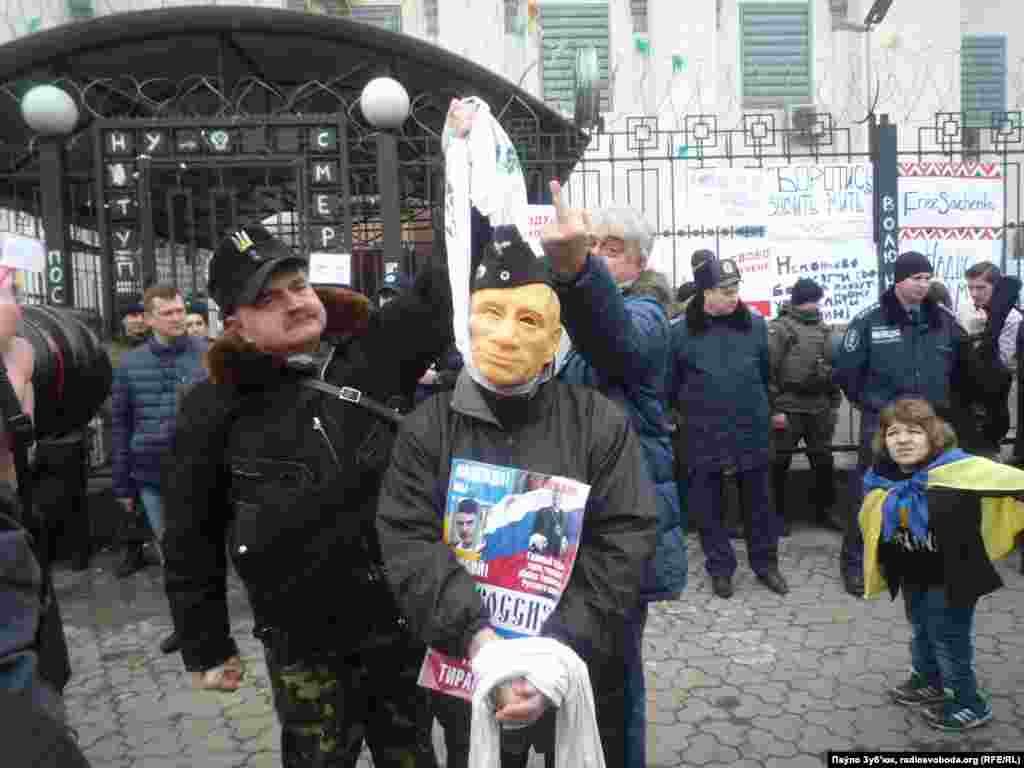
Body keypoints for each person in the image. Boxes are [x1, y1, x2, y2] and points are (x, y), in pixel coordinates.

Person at [163, 224, 451, 767]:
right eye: (267, 299)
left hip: (396, 624)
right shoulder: (211, 406)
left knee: (411, 753)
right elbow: (189, 534)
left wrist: (476, 190)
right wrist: (206, 644)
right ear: (236, 325)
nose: (294, 302)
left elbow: (446, 286)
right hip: (302, 641)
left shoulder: (374, 348)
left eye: (298, 285)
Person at [376, 224, 658, 768]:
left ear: (555, 340)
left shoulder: (597, 423)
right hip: (469, 675)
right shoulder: (426, 429)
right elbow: (408, 541)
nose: (506, 337)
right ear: (466, 326)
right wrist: (478, 640)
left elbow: (625, 536)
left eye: (528, 320)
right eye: (491, 314)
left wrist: (555, 649)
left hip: (573, 668)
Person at [547, 198, 685, 768]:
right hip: (568, 517)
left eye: (611, 248)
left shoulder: (647, 312)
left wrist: (579, 270)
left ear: (640, 261)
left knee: (614, 679)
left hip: (617, 529)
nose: (599, 256)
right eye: (592, 246)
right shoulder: (571, 310)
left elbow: (616, 341)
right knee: (568, 664)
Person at [859, 398, 1024, 732]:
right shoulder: (883, 475)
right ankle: (928, 681)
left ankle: (968, 703)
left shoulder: (960, 470)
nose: (902, 440)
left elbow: (1014, 482)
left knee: (948, 638)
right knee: (921, 628)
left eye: (913, 431)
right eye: (893, 433)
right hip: (912, 571)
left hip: (954, 577)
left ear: (933, 435)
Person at [833, 251, 971, 598]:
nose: (923, 285)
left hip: (929, 424)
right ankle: (855, 565)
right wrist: (872, 405)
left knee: (929, 492)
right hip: (884, 423)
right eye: (916, 278)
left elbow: (962, 368)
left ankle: (916, 561)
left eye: (927, 278)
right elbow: (847, 371)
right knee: (870, 492)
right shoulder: (870, 320)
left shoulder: (943, 319)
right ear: (898, 280)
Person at [672, 256, 787, 599]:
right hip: (703, 430)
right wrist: (679, 416)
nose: (733, 295)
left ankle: (766, 564)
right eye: (725, 290)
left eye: (735, 288)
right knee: (708, 505)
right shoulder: (679, 332)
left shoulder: (755, 325)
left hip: (750, 427)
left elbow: (767, 374)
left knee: (760, 503)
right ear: (705, 292)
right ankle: (720, 568)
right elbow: (669, 382)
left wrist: (771, 409)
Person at [110, 284, 208, 654]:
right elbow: (120, 426)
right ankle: (185, 625)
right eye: (167, 313)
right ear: (149, 319)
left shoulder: (207, 354)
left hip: (199, 472)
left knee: (202, 550)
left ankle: (209, 624)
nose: (177, 318)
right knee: (171, 553)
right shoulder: (130, 365)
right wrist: (122, 485)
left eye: (180, 310)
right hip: (151, 474)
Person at [768, 277, 843, 535]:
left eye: (816, 301)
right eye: (810, 301)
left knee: (823, 462)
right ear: (799, 301)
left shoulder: (824, 330)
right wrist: (774, 410)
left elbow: (833, 369)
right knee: (779, 463)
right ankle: (776, 516)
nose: (814, 306)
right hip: (787, 406)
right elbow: (768, 372)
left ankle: (826, 511)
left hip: (818, 406)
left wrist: (833, 404)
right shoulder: (780, 329)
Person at [961, 262, 1022, 455]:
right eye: (970, 287)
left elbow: (1003, 361)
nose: (974, 293)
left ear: (996, 288)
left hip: (995, 397)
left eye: (981, 288)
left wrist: (980, 338)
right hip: (968, 397)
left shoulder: (1011, 318)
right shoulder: (967, 309)